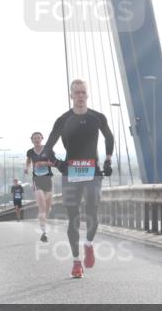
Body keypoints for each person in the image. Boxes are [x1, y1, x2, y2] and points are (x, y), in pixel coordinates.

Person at [45, 79, 113, 278]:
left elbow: (109, 137)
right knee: (73, 218)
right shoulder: (63, 120)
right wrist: (59, 164)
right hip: (71, 173)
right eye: (77, 92)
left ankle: (89, 244)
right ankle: (76, 262)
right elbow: (48, 149)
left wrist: (108, 161)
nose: (80, 96)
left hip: (92, 171)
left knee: (92, 208)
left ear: (87, 95)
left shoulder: (97, 117)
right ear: (71, 95)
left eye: (83, 92)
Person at [24, 131, 55, 242]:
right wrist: (27, 168)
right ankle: (44, 232)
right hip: (37, 180)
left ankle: (44, 222)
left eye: (38, 137)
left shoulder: (48, 149)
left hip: (48, 180)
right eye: (34, 138)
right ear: (32, 140)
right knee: (41, 205)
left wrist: (43, 163)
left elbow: (54, 162)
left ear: (42, 138)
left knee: (47, 208)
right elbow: (28, 161)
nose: (36, 139)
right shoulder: (30, 152)